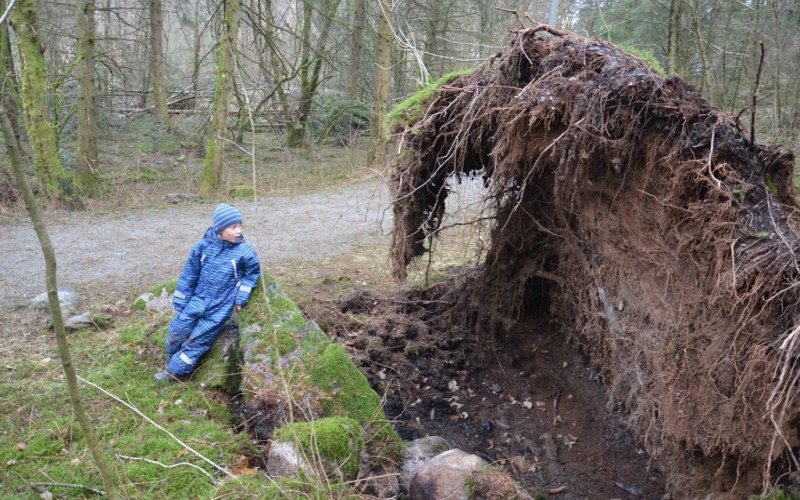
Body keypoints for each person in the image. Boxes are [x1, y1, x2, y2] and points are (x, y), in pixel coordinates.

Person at [154, 203, 261, 382]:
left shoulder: (244, 251)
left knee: (198, 339)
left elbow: (253, 273)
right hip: (199, 298)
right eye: (233, 227)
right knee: (178, 329)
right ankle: (172, 355)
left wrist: (242, 294)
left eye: (240, 226)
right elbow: (190, 273)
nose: (239, 231)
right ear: (219, 229)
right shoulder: (202, 247)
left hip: (220, 306)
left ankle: (174, 371)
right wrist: (181, 298)